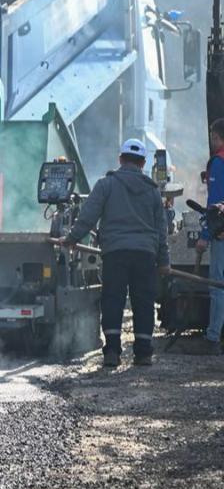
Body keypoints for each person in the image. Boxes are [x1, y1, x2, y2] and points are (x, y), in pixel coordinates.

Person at [54, 138, 170, 367]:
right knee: (144, 302)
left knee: (113, 301)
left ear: (120, 159)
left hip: (115, 253)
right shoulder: (153, 191)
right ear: (143, 162)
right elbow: (161, 230)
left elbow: (88, 216)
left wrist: (71, 239)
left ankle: (112, 353)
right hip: (145, 255)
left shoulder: (106, 185)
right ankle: (144, 353)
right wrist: (164, 261)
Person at [194, 119, 224, 354]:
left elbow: (214, 205)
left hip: (221, 235)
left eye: (213, 136)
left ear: (216, 137)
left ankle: (213, 337)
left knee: (218, 284)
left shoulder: (219, 162)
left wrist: (205, 235)